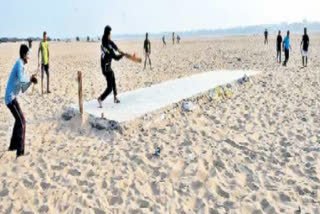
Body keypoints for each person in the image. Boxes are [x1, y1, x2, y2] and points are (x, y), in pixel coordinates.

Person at [5, 44, 37, 158]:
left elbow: (23, 88)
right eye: (28, 54)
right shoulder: (19, 64)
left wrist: (31, 82)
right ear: (24, 55)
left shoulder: (22, 65)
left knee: (18, 120)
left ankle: (13, 146)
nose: (28, 56)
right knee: (22, 121)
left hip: (13, 97)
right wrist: (30, 78)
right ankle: (20, 152)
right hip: (10, 98)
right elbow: (20, 78)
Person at [98, 25, 127, 107]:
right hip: (106, 69)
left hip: (106, 67)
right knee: (110, 87)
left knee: (113, 78)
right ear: (108, 35)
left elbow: (113, 45)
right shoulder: (107, 49)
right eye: (110, 34)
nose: (110, 35)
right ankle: (100, 98)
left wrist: (119, 50)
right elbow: (116, 58)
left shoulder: (105, 41)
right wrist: (122, 55)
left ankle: (115, 98)